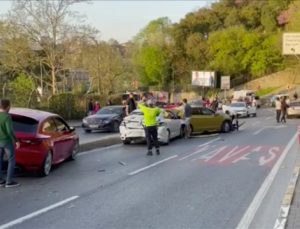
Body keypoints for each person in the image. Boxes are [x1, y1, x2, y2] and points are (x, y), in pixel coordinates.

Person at [0, 99, 20, 188]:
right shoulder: (7, 117)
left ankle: (0, 181)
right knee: (11, 160)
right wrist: (16, 141)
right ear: (7, 106)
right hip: (6, 141)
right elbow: (10, 131)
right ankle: (9, 181)